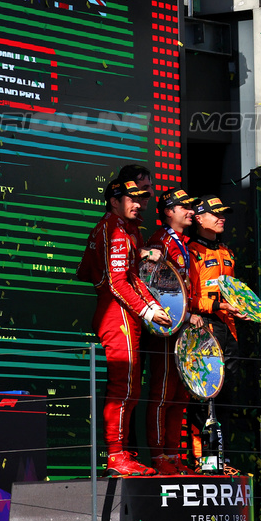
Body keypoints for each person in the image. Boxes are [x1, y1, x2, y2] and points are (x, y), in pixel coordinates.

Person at [78, 176, 170, 476]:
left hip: (125, 313)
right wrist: (148, 310)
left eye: (141, 197)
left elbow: (133, 278)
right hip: (115, 314)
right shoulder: (114, 230)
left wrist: (153, 306)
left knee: (131, 387)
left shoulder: (129, 229)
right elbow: (117, 283)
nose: (138, 203)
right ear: (114, 201)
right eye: (131, 198)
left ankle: (122, 453)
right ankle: (116, 456)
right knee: (124, 387)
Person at [186, 196, 258, 470]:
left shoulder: (227, 252)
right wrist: (216, 305)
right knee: (204, 396)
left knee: (226, 397)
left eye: (223, 213)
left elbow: (234, 292)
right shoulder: (190, 252)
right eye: (215, 213)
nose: (221, 218)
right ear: (199, 218)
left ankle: (222, 458)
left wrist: (244, 308)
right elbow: (185, 299)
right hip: (203, 328)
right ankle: (202, 459)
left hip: (229, 330)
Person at [145, 188, 200, 476]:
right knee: (163, 392)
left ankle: (175, 456)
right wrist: (184, 315)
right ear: (168, 211)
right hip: (166, 328)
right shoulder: (159, 242)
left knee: (181, 395)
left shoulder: (183, 243)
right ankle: (159, 457)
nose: (191, 211)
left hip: (184, 328)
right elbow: (154, 287)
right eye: (185, 207)